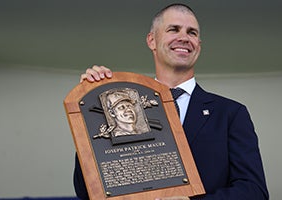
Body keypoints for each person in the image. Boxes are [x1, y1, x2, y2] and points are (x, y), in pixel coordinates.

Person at [74, 3, 269, 200]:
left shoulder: (230, 114)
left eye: (192, 33)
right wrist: (91, 111)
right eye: (173, 29)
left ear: (198, 45)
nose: (184, 38)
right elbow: (86, 191)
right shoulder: (127, 108)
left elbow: (254, 191)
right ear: (152, 40)